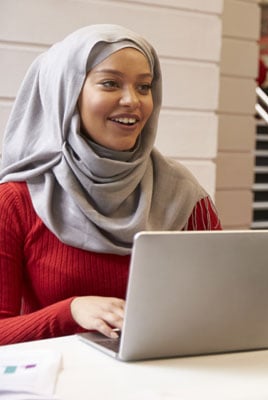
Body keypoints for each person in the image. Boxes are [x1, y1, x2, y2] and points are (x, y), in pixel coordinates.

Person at [0, 24, 222, 345]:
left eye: (144, 87)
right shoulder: (15, 201)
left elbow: (221, 305)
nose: (132, 100)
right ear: (68, 93)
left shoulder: (184, 196)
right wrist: (71, 311)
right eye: (110, 84)